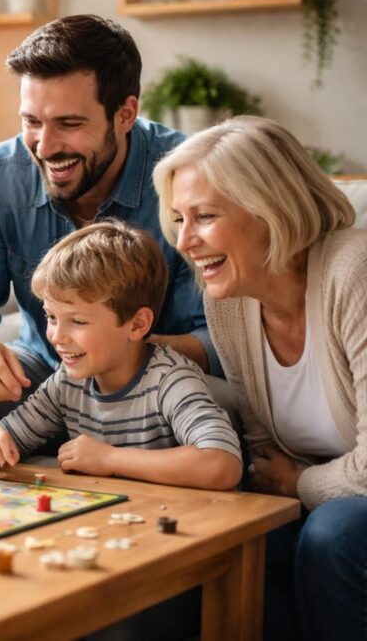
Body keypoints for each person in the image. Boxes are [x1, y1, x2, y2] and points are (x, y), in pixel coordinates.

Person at [0, 14, 216, 456]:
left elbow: (219, 339)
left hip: (163, 382)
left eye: (69, 124)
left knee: (220, 403)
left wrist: (117, 359)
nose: (45, 147)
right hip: (41, 373)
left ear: (125, 114)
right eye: (31, 121)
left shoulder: (186, 175)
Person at [154, 115, 367, 640]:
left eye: (204, 216)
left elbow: (292, 475)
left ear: (271, 210)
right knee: (239, 536)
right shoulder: (227, 301)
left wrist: (298, 483)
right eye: (179, 219)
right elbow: (263, 448)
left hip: (343, 511)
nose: (185, 241)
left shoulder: (354, 272)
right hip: (330, 494)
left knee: (332, 533)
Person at [0, 220, 242, 490]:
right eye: (51, 317)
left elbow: (222, 464)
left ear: (137, 325)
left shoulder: (170, 380)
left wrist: (110, 459)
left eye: (77, 321)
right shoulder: (67, 382)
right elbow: (5, 433)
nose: (56, 336)